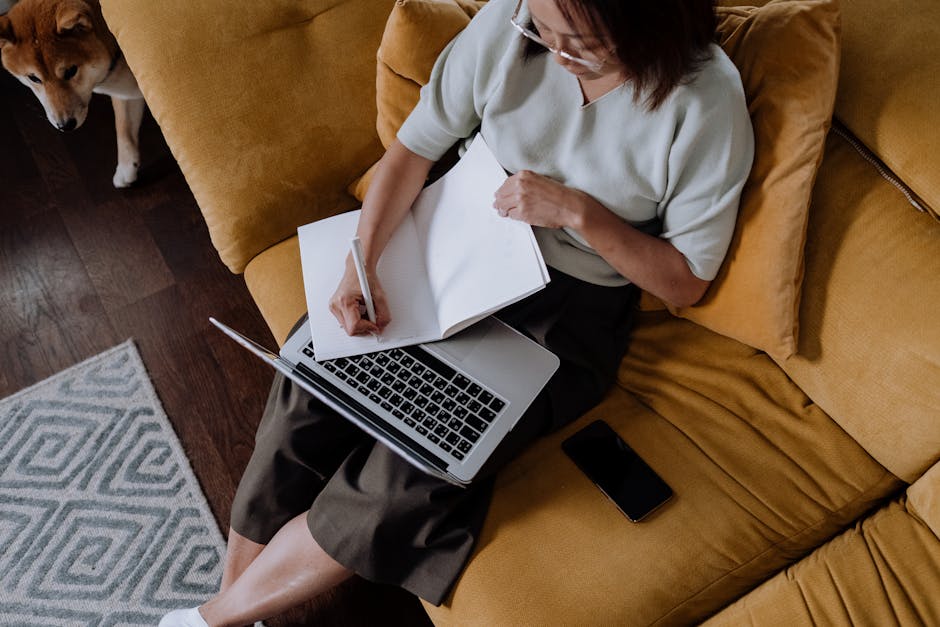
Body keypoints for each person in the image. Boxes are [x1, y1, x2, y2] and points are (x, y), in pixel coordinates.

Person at [160, 0, 753, 624]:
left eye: (578, 42)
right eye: (541, 31)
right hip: (457, 245)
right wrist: (361, 263)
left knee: (416, 467)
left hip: (566, 310)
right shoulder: (513, 19)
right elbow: (415, 151)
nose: (553, 53)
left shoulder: (704, 103)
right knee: (312, 387)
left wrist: (581, 213)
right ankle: (231, 609)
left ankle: (210, 620)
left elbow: (685, 280)